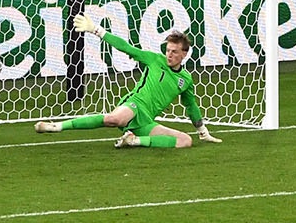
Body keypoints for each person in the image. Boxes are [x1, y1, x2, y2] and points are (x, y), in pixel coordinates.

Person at [35, 19, 221, 149]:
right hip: (134, 104)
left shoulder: (186, 80)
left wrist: (203, 131)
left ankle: (133, 140)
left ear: (184, 54)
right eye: (167, 50)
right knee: (114, 119)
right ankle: (57, 126)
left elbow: (191, 106)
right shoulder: (154, 59)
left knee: (184, 141)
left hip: (146, 121)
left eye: (174, 51)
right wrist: (96, 30)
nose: (169, 55)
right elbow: (126, 47)